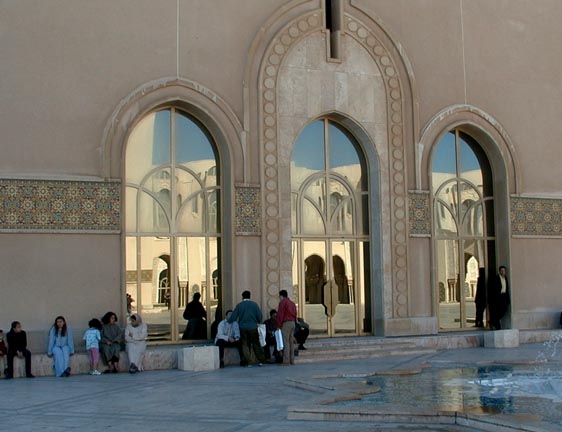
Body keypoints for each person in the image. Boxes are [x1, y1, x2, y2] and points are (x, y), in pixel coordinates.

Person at [228, 290, 265, 367]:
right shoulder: (254, 305)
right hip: (253, 327)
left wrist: (228, 321)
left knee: (245, 345)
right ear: (250, 296)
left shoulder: (239, 305)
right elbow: (260, 316)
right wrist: (257, 321)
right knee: (256, 344)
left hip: (243, 328)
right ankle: (261, 360)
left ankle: (249, 362)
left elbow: (233, 317)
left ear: (242, 297)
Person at [276, 290, 297, 365]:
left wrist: (278, 325)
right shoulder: (292, 303)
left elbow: (280, 314)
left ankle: (286, 361)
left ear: (281, 296)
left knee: (286, 342)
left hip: (286, 323)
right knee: (291, 342)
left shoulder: (282, 303)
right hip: (292, 322)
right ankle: (292, 360)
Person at [489, 266, 510, 330]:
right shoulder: (496, 278)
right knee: (498, 311)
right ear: (499, 271)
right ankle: (497, 325)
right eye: (501, 271)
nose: (503, 272)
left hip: (504, 296)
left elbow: (507, 289)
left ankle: (492, 321)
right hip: (498, 297)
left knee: (504, 310)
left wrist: (508, 299)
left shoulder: (505, 278)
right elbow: (494, 289)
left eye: (504, 271)